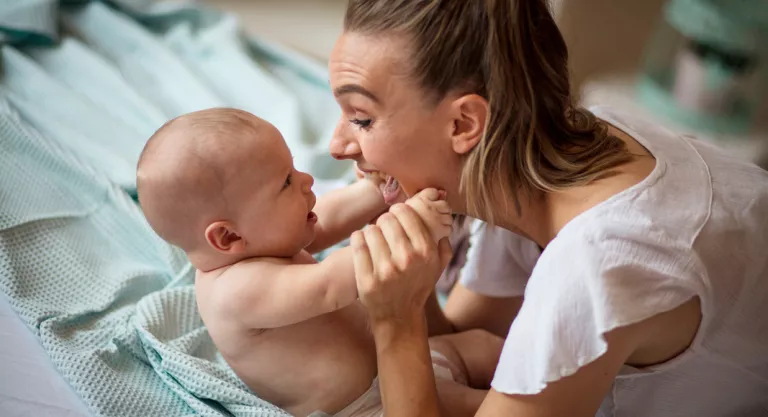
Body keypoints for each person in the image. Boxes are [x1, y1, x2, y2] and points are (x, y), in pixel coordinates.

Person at [327, 1, 768, 416]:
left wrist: (395, 322)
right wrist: (411, 284)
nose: (337, 146)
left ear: (464, 124)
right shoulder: (532, 160)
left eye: (361, 119)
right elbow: (468, 337)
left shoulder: (597, 259)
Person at [136, 108, 505, 417]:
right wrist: (406, 224)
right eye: (285, 182)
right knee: (482, 408)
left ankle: (545, 373)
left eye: (294, 167)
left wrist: (377, 191)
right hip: (372, 406)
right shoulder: (236, 292)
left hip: (406, 359)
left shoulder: (267, 239)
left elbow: (327, 218)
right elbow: (331, 284)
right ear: (228, 237)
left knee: (485, 346)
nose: (307, 180)